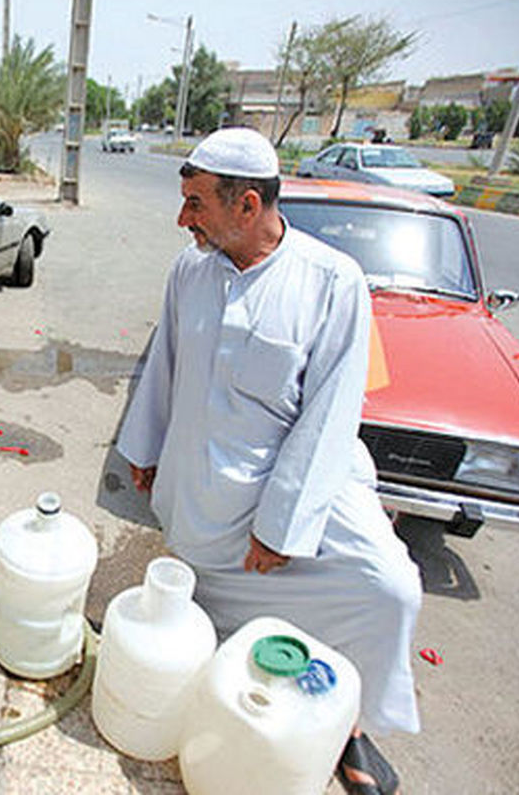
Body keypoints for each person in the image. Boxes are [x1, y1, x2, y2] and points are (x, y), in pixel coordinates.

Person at [116, 127, 420, 795]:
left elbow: (331, 415)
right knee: (208, 619)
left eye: (196, 203)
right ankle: (250, 706)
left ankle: (353, 726)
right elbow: (164, 362)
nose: (182, 219)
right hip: (201, 488)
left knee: (389, 590)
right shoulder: (189, 270)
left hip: (296, 488)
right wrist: (146, 448)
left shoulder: (332, 280)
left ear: (247, 206)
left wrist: (281, 526)